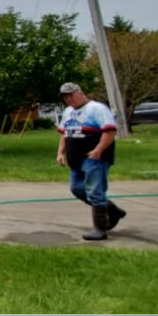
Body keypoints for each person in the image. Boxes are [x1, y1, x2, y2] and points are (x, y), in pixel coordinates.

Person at [56, 82, 124, 241]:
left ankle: (100, 229)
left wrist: (98, 150)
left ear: (80, 92)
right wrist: (60, 152)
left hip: (94, 158)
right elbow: (64, 133)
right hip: (75, 158)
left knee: (95, 191)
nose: (68, 98)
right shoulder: (68, 111)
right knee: (76, 188)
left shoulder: (97, 108)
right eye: (65, 96)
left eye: (71, 94)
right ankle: (113, 211)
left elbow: (110, 131)